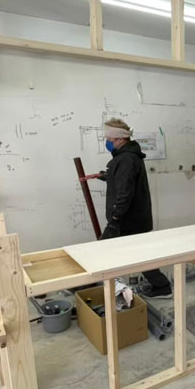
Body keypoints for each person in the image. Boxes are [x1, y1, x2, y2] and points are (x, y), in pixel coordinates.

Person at [82, 118, 173, 298]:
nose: (107, 142)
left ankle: (96, 289)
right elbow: (123, 178)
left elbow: (124, 192)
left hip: (128, 220)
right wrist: (102, 175)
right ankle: (161, 286)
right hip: (134, 219)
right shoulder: (129, 156)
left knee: (107, 252)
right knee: (141, 255)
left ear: (120, 139)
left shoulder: (126, 159)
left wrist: (115, 220)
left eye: (109, 139)